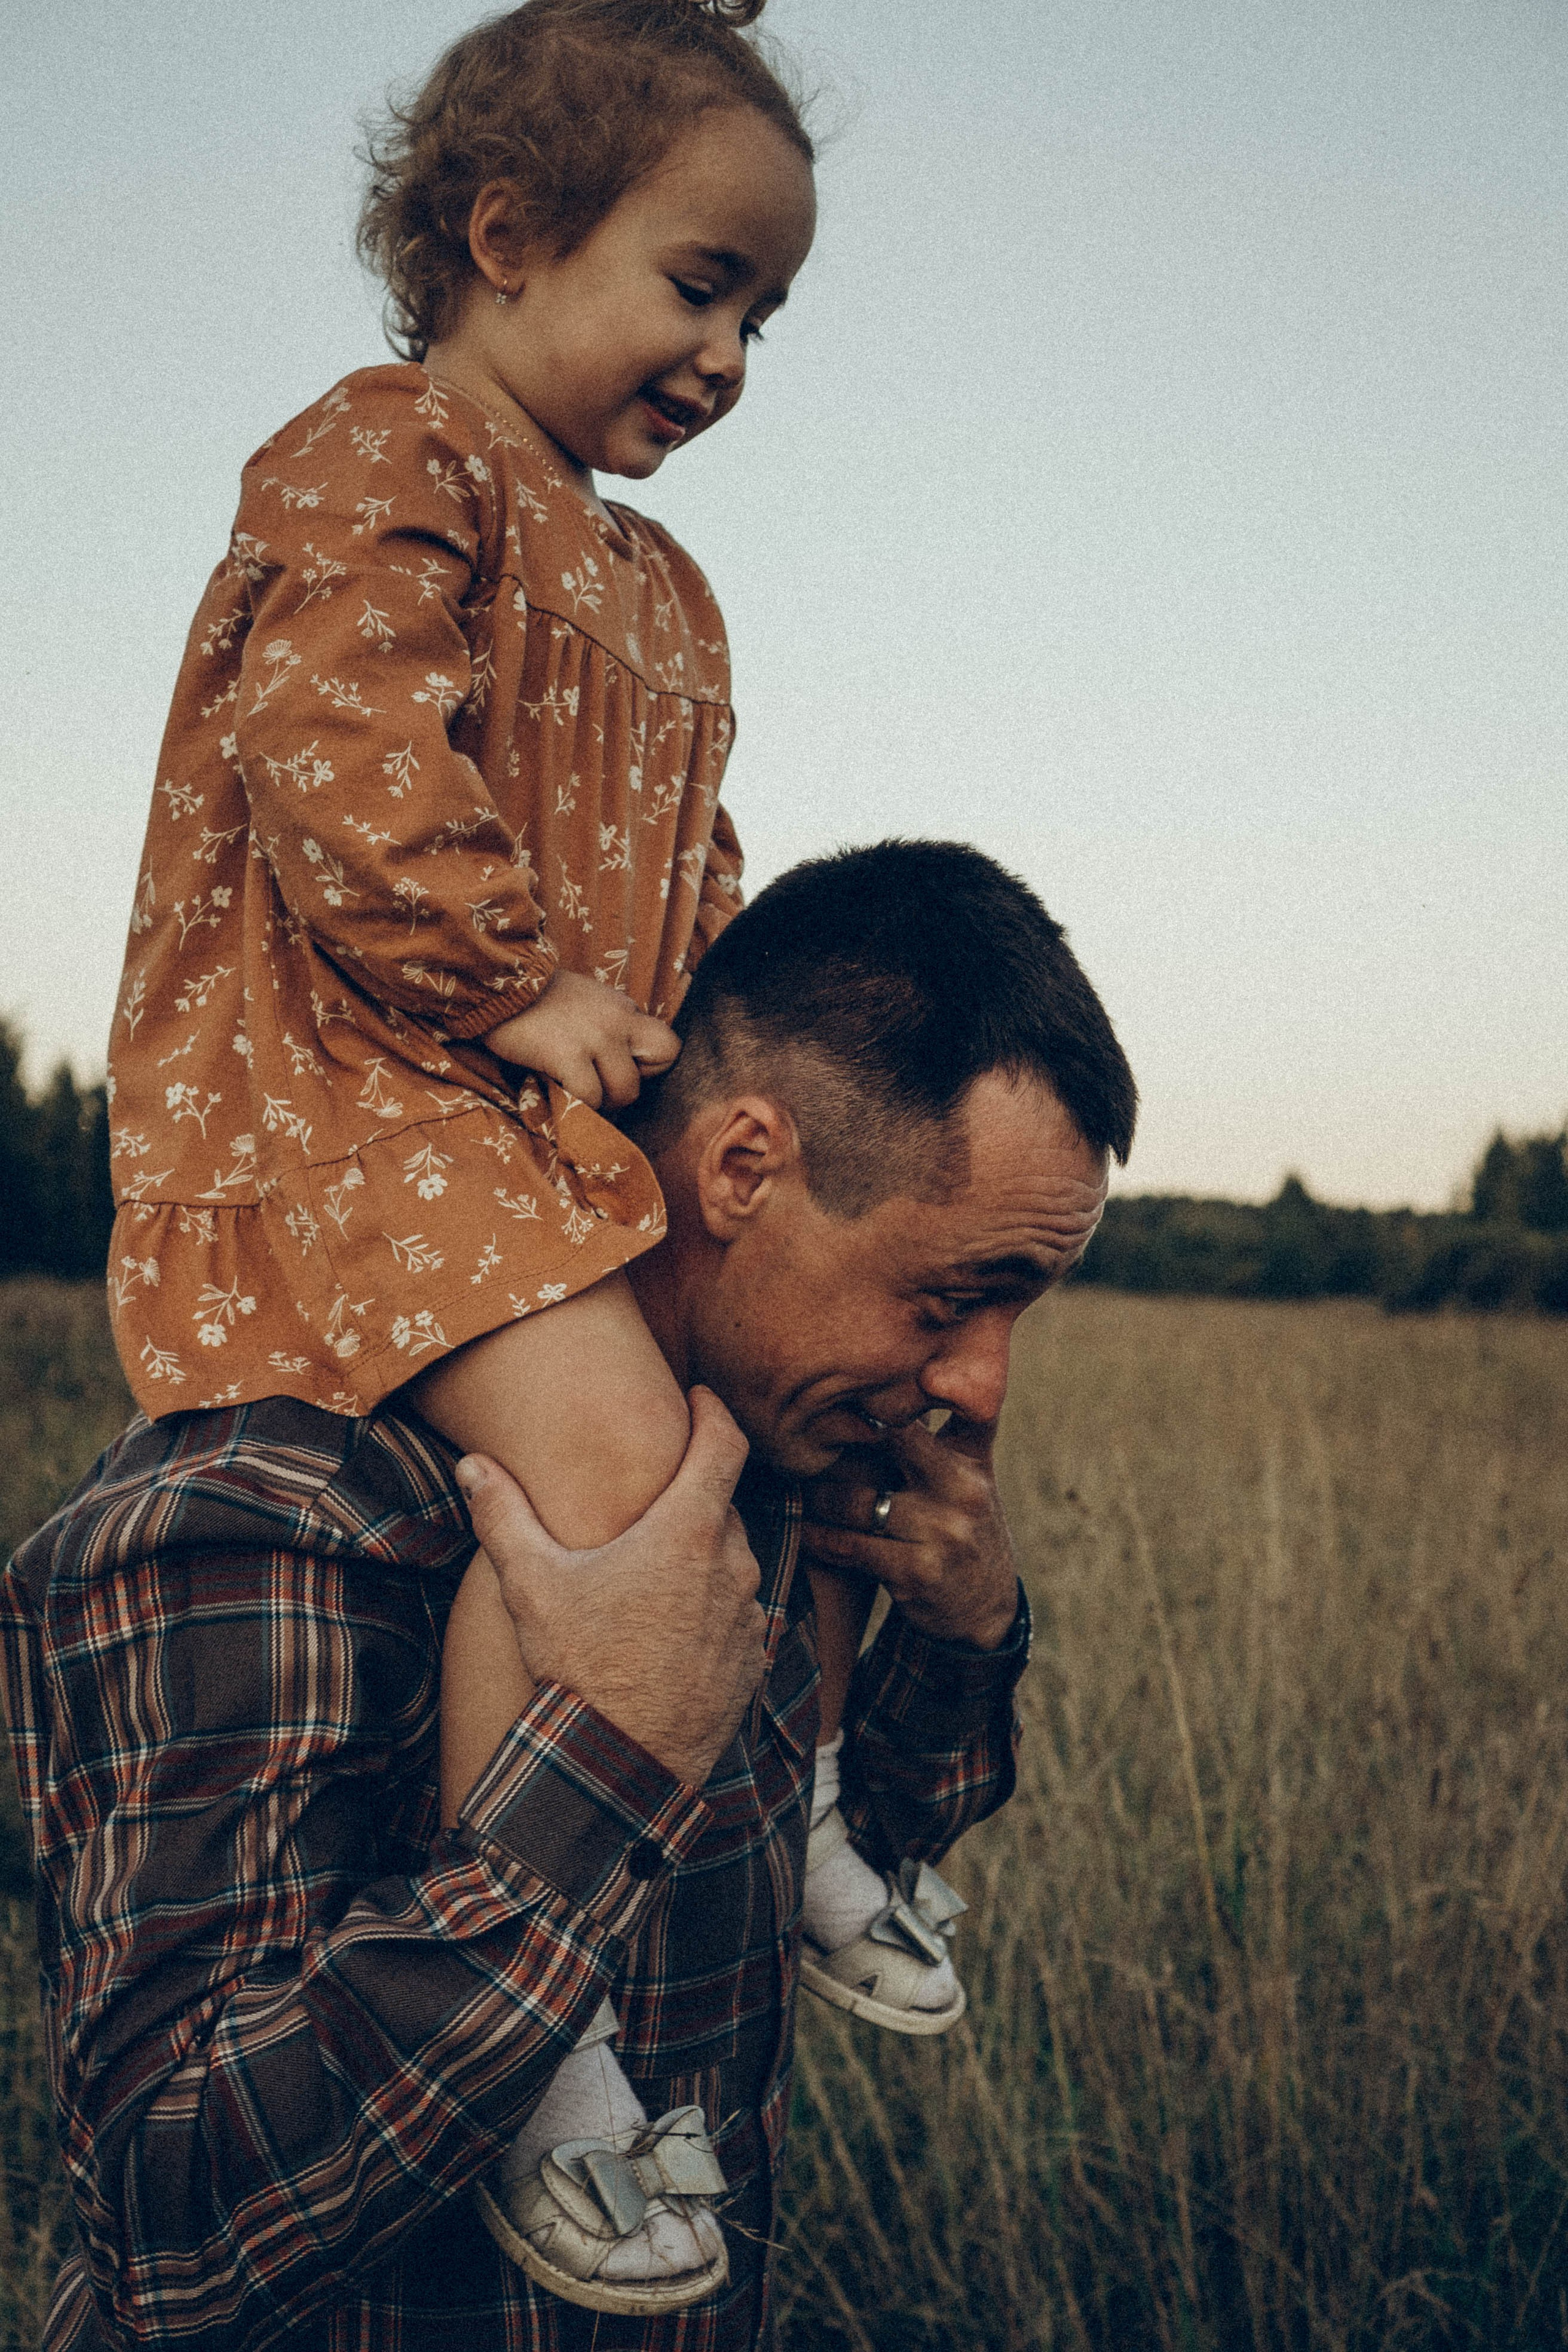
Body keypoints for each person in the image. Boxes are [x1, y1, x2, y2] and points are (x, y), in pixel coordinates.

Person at [94, 0, 925, 2307]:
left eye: (767, 308)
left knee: (813, 1383)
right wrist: (507, 982)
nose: (737, 350)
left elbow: (691, 868)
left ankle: (828, 1789)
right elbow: (338, 739)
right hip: (360, 1101)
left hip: (545, 1122)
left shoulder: (659, 590)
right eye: (701, 282)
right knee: (603, 1448)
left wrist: (741, 1042)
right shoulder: (384, 451)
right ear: (508, 233)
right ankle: (536, 2054)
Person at [1, 840, 1137, 2350]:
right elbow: (169, 2228)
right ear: (741, 1167)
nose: (982, 1380)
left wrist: (965, 1628)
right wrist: (604, 1761)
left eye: (1016, 1309)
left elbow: (854, 1861)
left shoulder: (773, 1478)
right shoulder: (259, 1516)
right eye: (946, 1298)